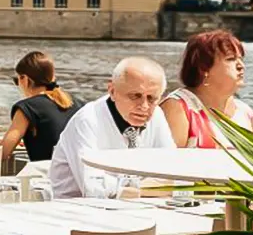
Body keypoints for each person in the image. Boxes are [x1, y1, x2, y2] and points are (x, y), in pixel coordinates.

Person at [49, 57, 175, 199]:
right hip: (75, 211)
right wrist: (144, 188)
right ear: (112, 91)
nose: (144, 106)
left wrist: (128, 190)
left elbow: (172, 170)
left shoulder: (156, 114)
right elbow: (94, 189)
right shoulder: (87, 120)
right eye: (135, 96)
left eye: (152, 98)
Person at [161, 30, 253, 148]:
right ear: (204, 68)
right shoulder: (178, 107)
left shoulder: (245, 111)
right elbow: (168, 161)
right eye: (230, 59)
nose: (241, 66)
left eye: (240, 59)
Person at [0, 52, 81, 163]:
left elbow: (2, 154)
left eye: (17, 81)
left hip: (47, 177)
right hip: (80, 175)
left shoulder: (27, 108)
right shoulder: (78, 103)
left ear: (25, 79)